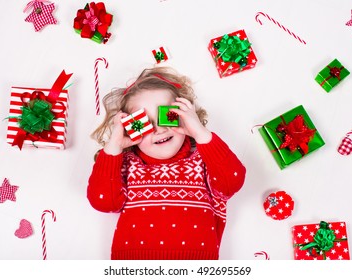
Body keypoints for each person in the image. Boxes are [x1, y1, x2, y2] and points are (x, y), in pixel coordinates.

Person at [87, 66, 246, 260]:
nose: (159, 130)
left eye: (167, 116)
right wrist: (113, 147)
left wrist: (201, 134)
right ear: (130, 131)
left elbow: (232, 182)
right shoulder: (127, 165)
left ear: (184, 118)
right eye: (144, 123)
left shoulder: (204, 161)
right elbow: (103, 202)